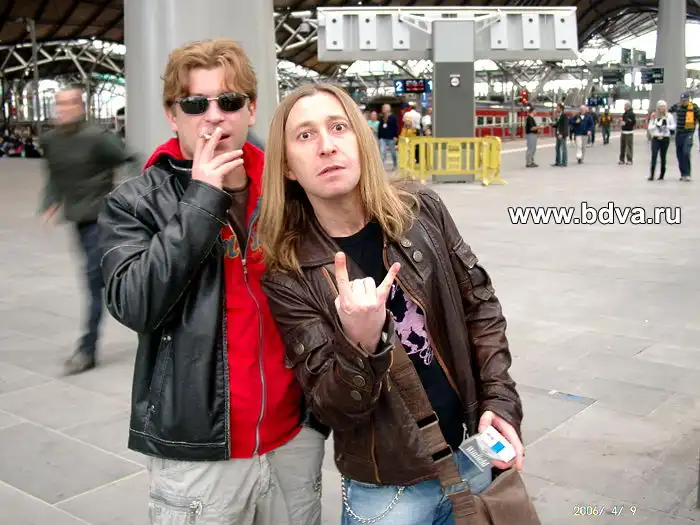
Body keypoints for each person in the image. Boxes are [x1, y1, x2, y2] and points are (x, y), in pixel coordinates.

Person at [257, 83, 525, 525]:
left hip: (475, 451)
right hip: (387, 493)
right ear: (287, 166)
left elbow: (481, 307)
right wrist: (361, 345)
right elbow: (333, 408)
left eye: (338, 127)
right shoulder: (289, 272)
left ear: (360, 139)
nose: (326, 146)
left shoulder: (421, 210)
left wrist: (499, 400)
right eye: (305, 135)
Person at [97, 38, 325, 525]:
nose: (214, 116)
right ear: (172, 114)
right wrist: (201, 198)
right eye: (196, 104)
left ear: (251, 109)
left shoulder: (289, 192)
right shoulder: (134, 202)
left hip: (293, 438)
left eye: (230, 101)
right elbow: (133, 303)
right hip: (201, 455)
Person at [39, 84, 133, 374]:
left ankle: (86, 350)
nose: (64, 109)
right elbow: (55, 174)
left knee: (94, 282)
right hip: (79, 221)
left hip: (101, 219)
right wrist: (50, 201)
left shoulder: (97, 138)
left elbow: (129, 159)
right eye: (60, 104)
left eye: (70, 103)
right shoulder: (52, 140)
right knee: (102, 279)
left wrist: (135, 197)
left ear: (81, 106)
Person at [669, 91, 700, 181]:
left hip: (688, 133)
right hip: (679, 133)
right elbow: (668, 112)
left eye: (685, 100)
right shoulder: (677, 106)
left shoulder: (694, 107)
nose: (684, 102)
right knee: (679, 154)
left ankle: (687, 173)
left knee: (686, 152)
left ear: (689, 100)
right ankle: (683, 173)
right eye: (682, 100)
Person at [647, 100, 676, 181]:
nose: (662, 108)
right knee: (654, 155)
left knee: (663, 156)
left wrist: (666, 126)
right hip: (656, 138)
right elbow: (649, 127)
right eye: (660, 107)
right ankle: (652, 175)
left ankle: (662, 175)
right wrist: (656, 126)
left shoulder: (669, 116)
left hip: (665, 138)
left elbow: (674, 126)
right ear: (658, 108)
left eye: (663, 107)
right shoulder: (654, 116)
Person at [378, 103, 399, 170]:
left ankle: (395, 165)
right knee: (382, 152)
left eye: (384, 108)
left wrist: (396, 136)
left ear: (388, 109)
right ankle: (381, 167)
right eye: (383, 108)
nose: (383, 109)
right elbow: (380, 127)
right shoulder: (382, 117)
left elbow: (396, 127)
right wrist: (379, 137)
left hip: (391, 138)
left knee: (393, 152)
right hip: (383, 138)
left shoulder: (393, 117)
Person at [552, 103, 569, 167]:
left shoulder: (564, 116)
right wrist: (552, 125)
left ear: (561, 108)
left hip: (562, 135)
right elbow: (557, 125)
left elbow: (565, 126)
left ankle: (564, 163)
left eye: (557, 107)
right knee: (557, 148)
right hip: (558, 134)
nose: (556, 108)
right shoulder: (559, 116)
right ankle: (558, 162)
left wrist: (562, 134)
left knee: (563, 148)